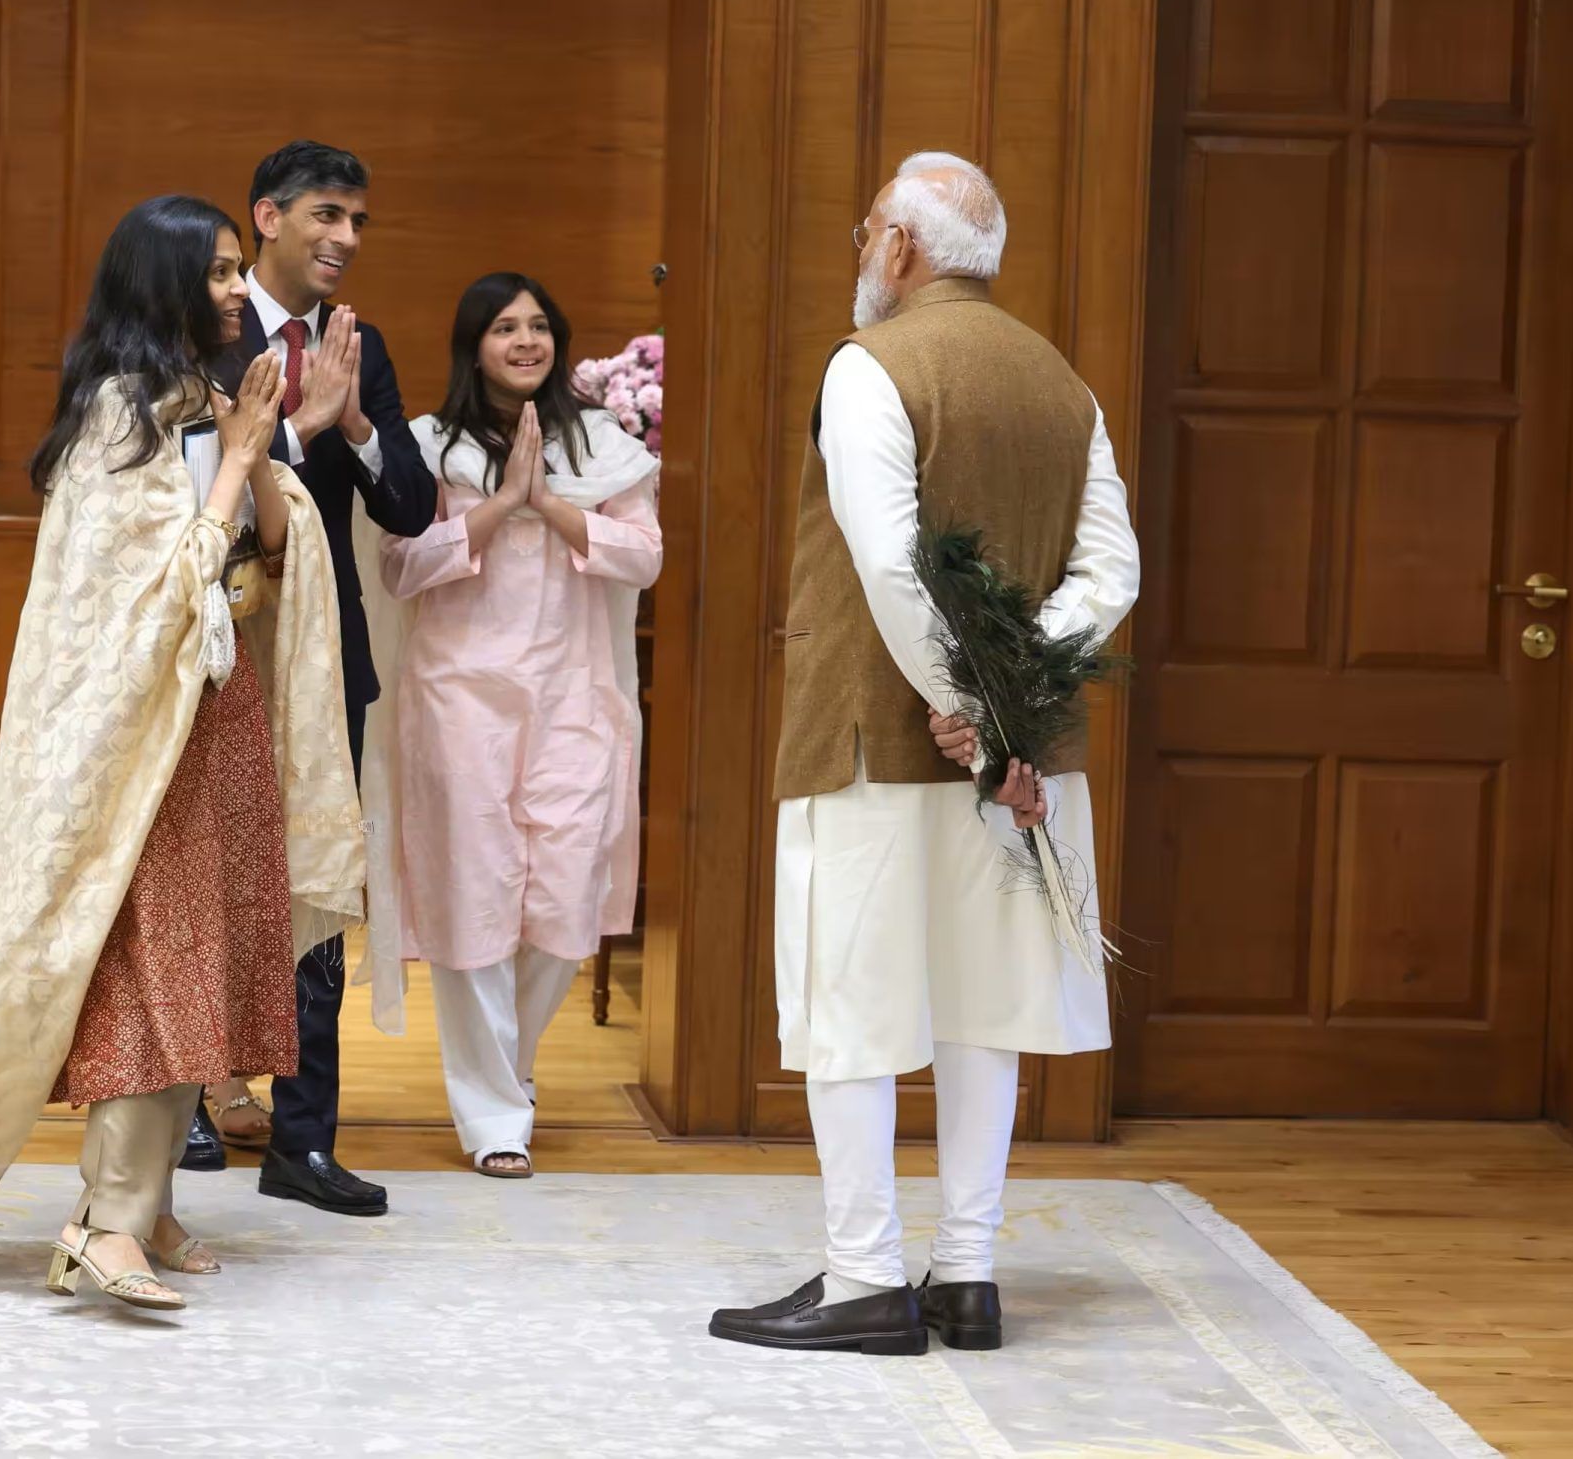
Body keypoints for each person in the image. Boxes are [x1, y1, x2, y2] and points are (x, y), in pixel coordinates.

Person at [0, 196, 365, 1314]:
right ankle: (105, 1224)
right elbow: (141, 594)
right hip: (137, 745)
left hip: (216, 720)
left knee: (207, 969)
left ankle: (144, 1204)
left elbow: (273, 538)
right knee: (154, 976)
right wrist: (239, 458)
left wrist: (257, 456)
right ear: (156, 284)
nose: (230, 293)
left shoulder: (206, 397)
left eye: (235, 273)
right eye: (213, 274)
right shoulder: (120, 415)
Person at [709, 153, 1140, 1356]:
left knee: (852, 1003)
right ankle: (965, 1275)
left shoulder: (870, 367)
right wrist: (1014, 705)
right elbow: (1112, 573)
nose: (860, 254)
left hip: (879, 742)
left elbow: (891, 566)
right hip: (1023, 763)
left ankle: (860, 1278)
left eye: (864, 236)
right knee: (979, 1009)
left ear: (897, 248)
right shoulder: (1064, 386)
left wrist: (971, 704)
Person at [361, 273, 661, 1177]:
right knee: (474, 894)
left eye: (538, 325)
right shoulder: (425, 446)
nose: (524, 341)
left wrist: (552, 503)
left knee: (564, 895)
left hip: (574, 694)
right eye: (504, 327)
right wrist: (496, 506)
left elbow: (643, 558)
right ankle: (494, 1117)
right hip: (460, 698)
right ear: (473, 345)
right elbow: (400, 569)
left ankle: (510, 1075)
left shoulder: (605, 443)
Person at [186, 140, 437, 1217]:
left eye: (358, 223)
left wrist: (363, 421)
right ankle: (192, 1106)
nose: (344, 239)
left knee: (319, 890)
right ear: (269, 218)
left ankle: (304, 1139)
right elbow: (203, 479)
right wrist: (301, 424)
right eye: (327, 216)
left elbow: (413, 510)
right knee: (202, 874)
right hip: (216, 642)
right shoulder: (204, 327)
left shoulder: (355, 343)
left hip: (323, 654)